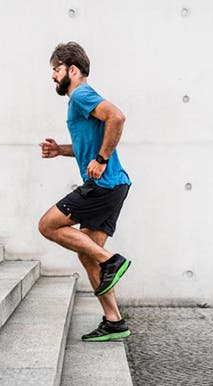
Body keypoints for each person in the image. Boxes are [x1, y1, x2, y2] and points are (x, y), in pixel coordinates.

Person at [38, 42, 132, 342]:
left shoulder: (80, 93)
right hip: (115, 185)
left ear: (73, 70)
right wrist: (61, 150)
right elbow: (88, 143)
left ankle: (112, 260)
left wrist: (102, 160)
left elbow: (116, 117)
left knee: (48, 225)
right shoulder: (78, 102)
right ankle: (114, 321)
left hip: (104, 185)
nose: (53, 76)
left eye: (56, 69)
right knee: (87, 254)